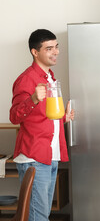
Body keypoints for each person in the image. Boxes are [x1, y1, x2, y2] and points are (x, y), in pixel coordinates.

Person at [9, 29, 74, 221]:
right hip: (34, 156)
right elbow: (14, 116)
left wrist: (64, 118)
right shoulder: (27, 79)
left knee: (41, 214)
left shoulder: (50, 78)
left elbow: (42, 118)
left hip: (49, 155)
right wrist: (34, 99)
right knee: (38, 216)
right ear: (35, 52)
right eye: (49, 48)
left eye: (56, 47)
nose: (56, 52)